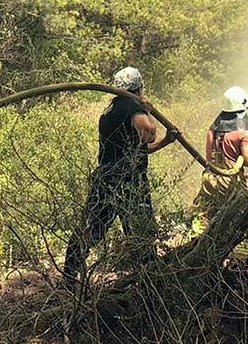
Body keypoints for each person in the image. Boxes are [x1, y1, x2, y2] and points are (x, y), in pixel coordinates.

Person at [63, 67, 178, 284]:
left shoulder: (110, 110)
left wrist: (168, 140)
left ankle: (68, 275)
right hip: (129, 181)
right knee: (141, 232)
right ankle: (149, 280)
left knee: (91, 228)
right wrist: (147, 112)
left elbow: (138, 149)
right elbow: (149, 134)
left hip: (106, 178)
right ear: (139, 86)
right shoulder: (133, 106)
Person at [192, 86, 248, 234]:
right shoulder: (241, 135)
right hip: (229, 183)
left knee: (203, 218)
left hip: (210, 180)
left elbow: (209, 157)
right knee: (235, 221)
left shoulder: (212, 130)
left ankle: (194, 248)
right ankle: (235, 255)